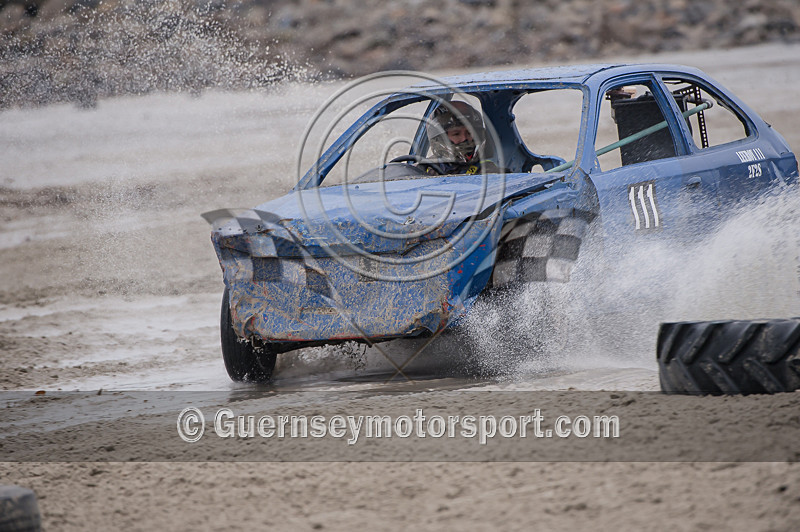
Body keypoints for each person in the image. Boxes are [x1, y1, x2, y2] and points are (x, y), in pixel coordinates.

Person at [422, 100, 504, 175]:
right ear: (440, 139)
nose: (464, 138)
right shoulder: (423, 169)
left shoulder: (489, 173)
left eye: (469, 133)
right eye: (456, 134)